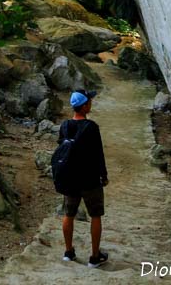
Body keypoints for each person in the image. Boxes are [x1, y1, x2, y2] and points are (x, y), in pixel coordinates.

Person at [59, 88, 109, 267]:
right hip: (90, 179)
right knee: (95, 215)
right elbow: (98, 154)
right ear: (85, 106)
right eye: (89, 101)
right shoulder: (91, 127)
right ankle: (95, 257)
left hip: (70, 179)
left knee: (68, 214)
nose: (91, 103)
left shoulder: (65, 126)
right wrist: (103, 175)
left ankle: (68, 252)